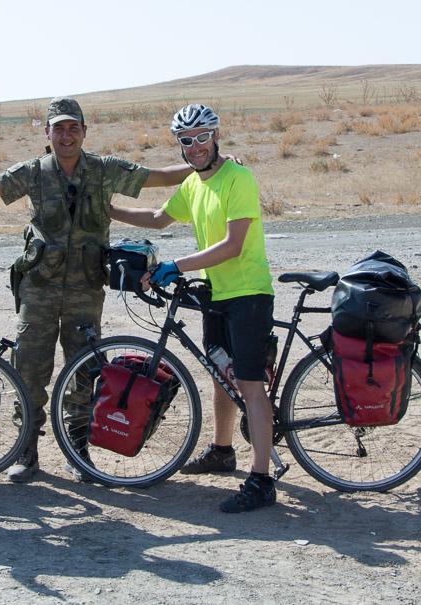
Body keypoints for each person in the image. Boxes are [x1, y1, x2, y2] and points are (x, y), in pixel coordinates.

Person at [0, 97, 193, 483]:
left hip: (86, 289)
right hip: (39, 288)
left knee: (86, 370)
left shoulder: (104, 170)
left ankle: (76, 447)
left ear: (84, 132)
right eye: (59, 128)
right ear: (48, 133)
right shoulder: (33, 173)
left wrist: (208, 165)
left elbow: (157, 176)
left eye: (74, 128)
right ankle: (26, 450)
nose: (66, 135)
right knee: (29, 370)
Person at [109, 103, 277, 513]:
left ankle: (261, 481)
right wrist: (106, 210)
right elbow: (157, 217)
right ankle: (222, 452)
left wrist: (176, 265)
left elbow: (233, 244)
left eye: (203, 137)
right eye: (187, 140)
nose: (196, 146)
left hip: (248, 293)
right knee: (221, 375)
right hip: (216, 295)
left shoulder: (238, 178)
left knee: (251, 386)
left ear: (216, 135)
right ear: (180, 145)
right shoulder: (193, 184)